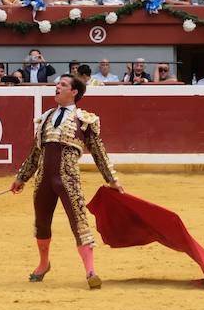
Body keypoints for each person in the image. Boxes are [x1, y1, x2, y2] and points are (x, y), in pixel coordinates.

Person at [10, 74, 123, 290]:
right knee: (42, 223)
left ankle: (91, 272)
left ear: (74, 92)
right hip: (43, 178)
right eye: (57, 84)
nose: (57, 87)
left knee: (78, 221)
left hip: (68, 178)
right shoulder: (45, 118)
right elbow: (35, 152)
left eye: (63, 85)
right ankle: (44, 264)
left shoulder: (85, 120)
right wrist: (21, 177)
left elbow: (99, 152)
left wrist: (112, 180)